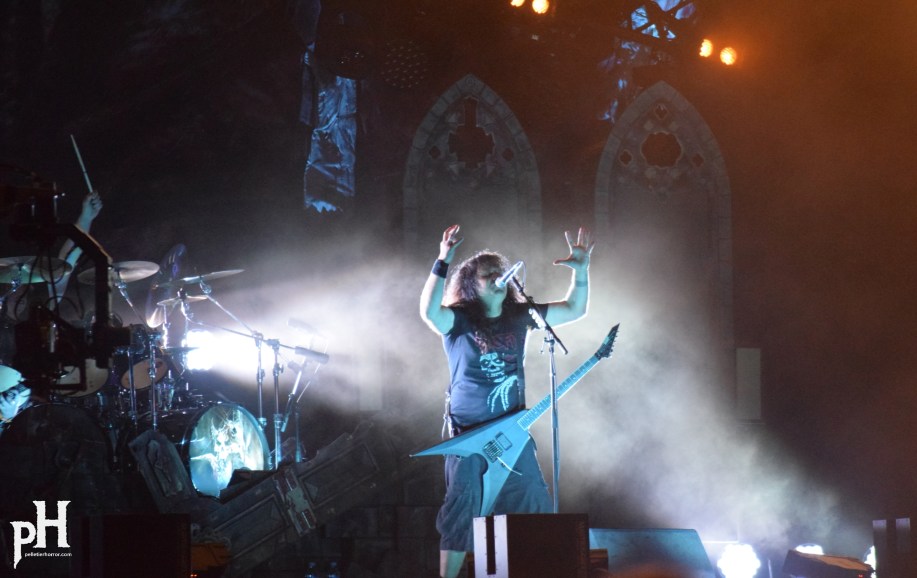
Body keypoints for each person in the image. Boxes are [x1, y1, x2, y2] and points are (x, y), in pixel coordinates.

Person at [419, 223, 595, 578]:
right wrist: (442, 261)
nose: (497, 277)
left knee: (534, 503)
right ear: (472, 283)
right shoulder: (459, 320)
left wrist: (581, 273)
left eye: (500, 271)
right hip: (470, 436)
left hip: (513, 432)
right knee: (461, 513)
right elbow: (429, 312)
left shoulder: (520, 315)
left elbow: (574, 309)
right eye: (488, 274)